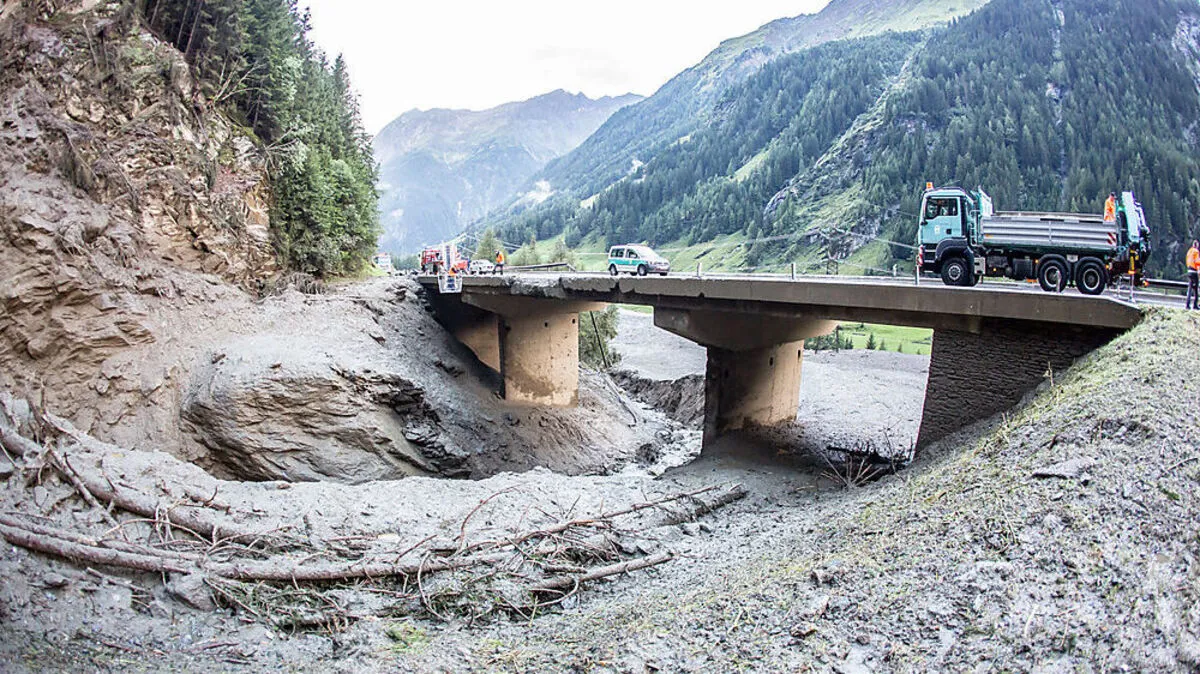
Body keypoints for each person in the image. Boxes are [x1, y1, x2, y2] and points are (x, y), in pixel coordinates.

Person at [1187, 239, 1200, 310]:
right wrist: (1198, 271)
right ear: (1196, 245)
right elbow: (1197, 262)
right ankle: (1195, 304)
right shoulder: (1196, 251)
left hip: (1189, 270)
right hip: (1194, 271)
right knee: (1196, 289)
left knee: (1189, 288)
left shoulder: (1189, 251)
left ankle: (1187, 304)